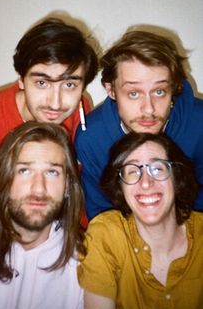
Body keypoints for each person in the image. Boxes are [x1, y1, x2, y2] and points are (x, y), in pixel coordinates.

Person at [75, 29, 203, 219]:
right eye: (134, 93)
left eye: (159, 91)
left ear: (174, 87)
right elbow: (102, 217)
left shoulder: (199, 124)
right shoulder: (92, 138)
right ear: (111, 90)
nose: (149, 109)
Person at [78, 132, 203, 309]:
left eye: (157, 169)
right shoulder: (106, 235)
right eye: (133, 171)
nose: (145, 183)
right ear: (120, 186)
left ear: (176, 178)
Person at [0, 121, 85, 309]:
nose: (39, 189)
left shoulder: (84, 266)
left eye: (52, 172)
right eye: (24, 170)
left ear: (68, 186)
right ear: (4, 178)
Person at [0, 16, 99, 200]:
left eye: (69, 85)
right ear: (21, 79)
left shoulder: (80, 110)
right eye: (42, 83)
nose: (55, 103)